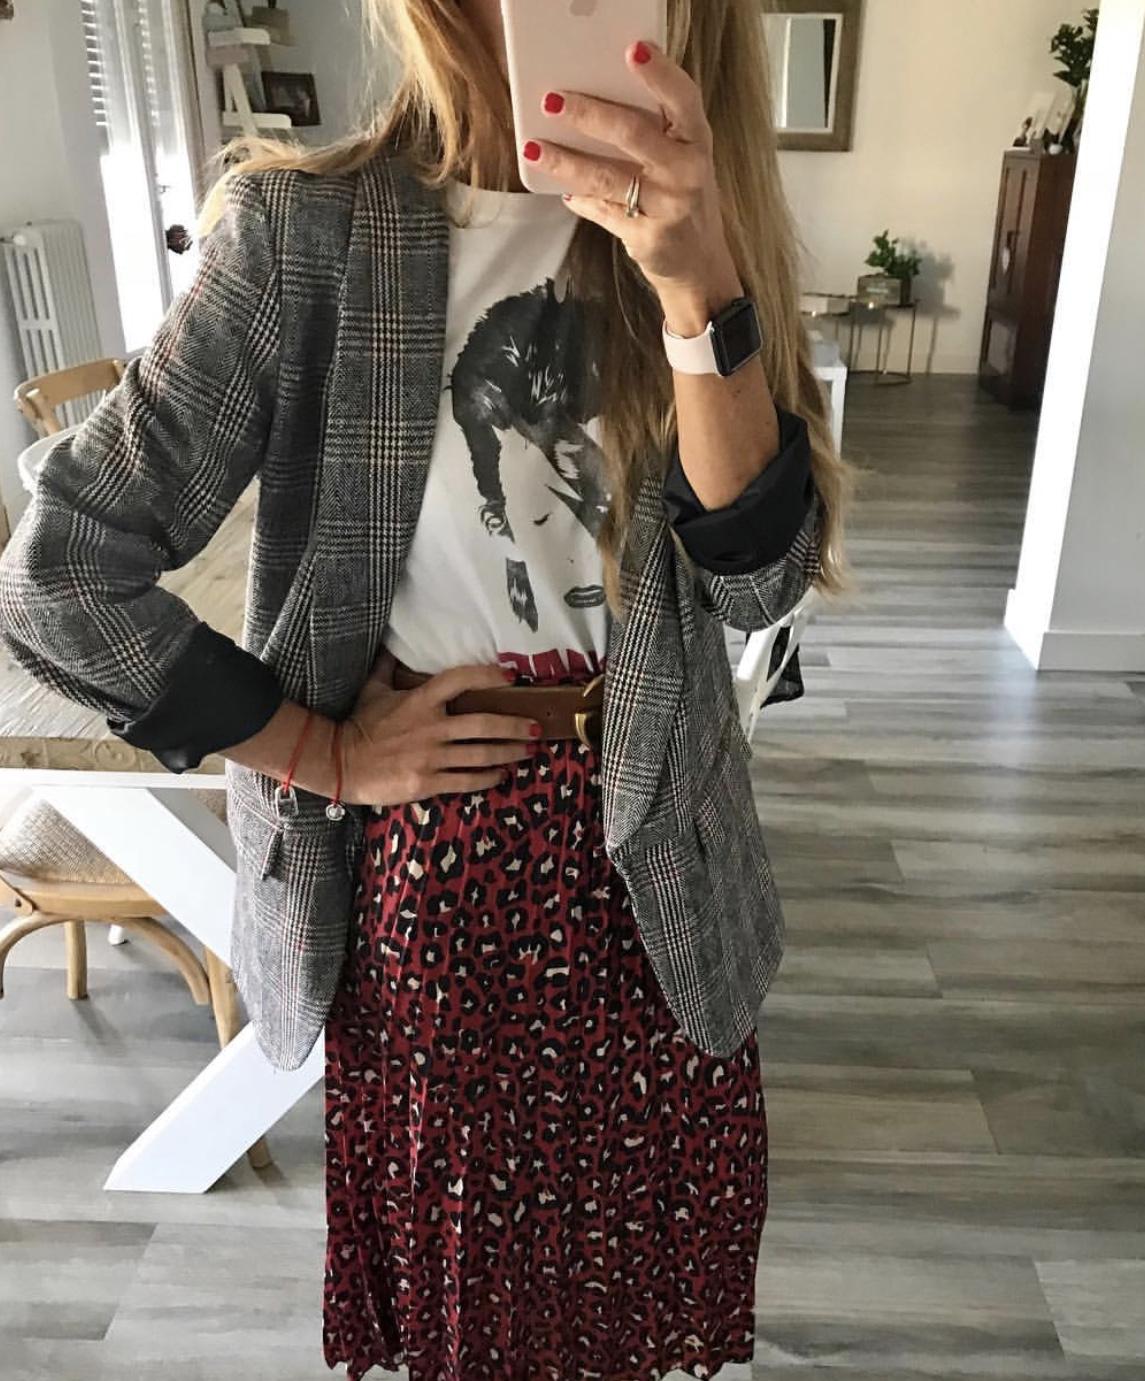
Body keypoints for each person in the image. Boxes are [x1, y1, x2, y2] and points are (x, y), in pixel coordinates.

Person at [0, 0, 848, 1377]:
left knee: (631, 1295)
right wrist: (316, 750)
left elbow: (760, 589)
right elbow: (60, 575)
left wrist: (699, 289)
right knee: (481, 1311)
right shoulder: (305, 235)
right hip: (440, 864)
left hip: (665, 862)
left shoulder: (711, 226)